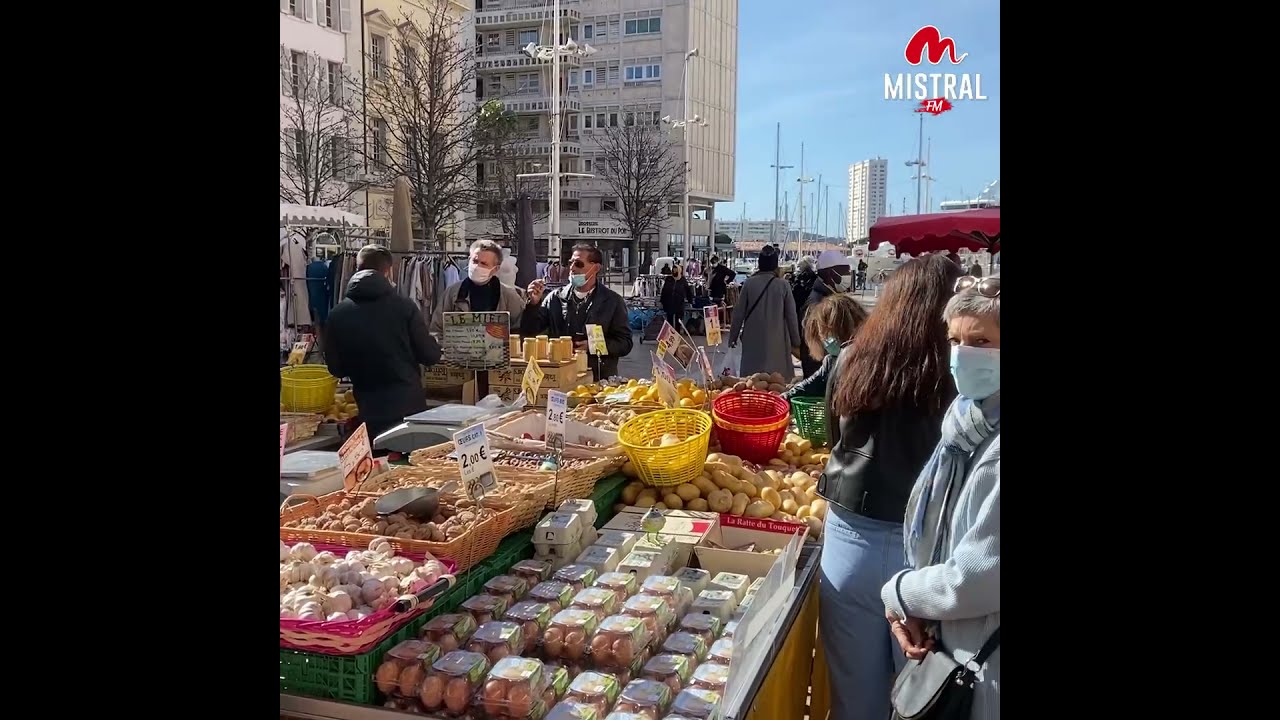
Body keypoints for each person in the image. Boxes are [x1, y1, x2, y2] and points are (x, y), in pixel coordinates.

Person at [817, 255, 961, 720]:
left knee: (854, 694)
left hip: (848, 541)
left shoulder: (852, 358)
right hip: (928, 550)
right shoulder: (955, 369)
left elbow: (833, 439)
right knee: (924, 696)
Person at [881, 274, 1000, 720]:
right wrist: (916, 608)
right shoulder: (966, 424)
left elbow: (974, 579)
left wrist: (898, 592)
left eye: (982, 340)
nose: (963, 354)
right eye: (955, 339)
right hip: (959, 645)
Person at [323, 245, 443, 441]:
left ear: (356, 267)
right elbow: (429, 356)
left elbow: (336, 368)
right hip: (408, 408)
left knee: (379, 467)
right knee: (409, 467)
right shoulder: (405, 308)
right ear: (389, 270)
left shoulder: (338, 314)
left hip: (368, 409)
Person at [523, 243, 633, 379]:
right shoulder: (555, 298)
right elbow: (530, 330)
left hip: (598, 378)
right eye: (570, 263)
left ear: (596, 268)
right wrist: (533, 304)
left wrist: (593, 346)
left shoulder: (612, 301)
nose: (572, 268)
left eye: (579, 264)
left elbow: (625, 343)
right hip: (561, 377)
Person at [727, 245, 800, 379]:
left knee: (751, 381)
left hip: (752, 339)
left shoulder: (749, 283)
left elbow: (738, 313)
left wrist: (733, 337)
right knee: (776, 382)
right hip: (777, 341)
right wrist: (796, 341)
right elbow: (791, 316)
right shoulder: (783, 285)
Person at [781, 293, 869, 400]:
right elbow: (810, 386)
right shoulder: (831, 362)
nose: (825, 342)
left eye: (825, 334)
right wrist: (784, 398)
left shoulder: (871, 361)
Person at [430, 240, 526, 335]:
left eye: (483, 263)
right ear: (469, 260)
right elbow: (436, 329)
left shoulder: (508, 296)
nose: (477, 266)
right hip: (458, 350)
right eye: (475, 261)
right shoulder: (453, 293)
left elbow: (522, 327)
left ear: (495, 269)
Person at [797, 250, 852, 377]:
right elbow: (824, 342)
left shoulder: (827, 296)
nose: (848, 275)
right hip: (819, 371)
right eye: (845, 271)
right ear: (830, 273)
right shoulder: (816, 302)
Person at [660, 263, 693, 331]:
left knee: (678, 321)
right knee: (670, 321)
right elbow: (664, 290)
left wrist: (690, 301)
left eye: (676, 270)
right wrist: (662, 301)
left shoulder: (683, 280)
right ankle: (670, 336)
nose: (674, 272)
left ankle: (677, 335)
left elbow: (688, 291)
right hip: (669, 303)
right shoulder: (669, 279)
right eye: (673, 270)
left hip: (679, 304)